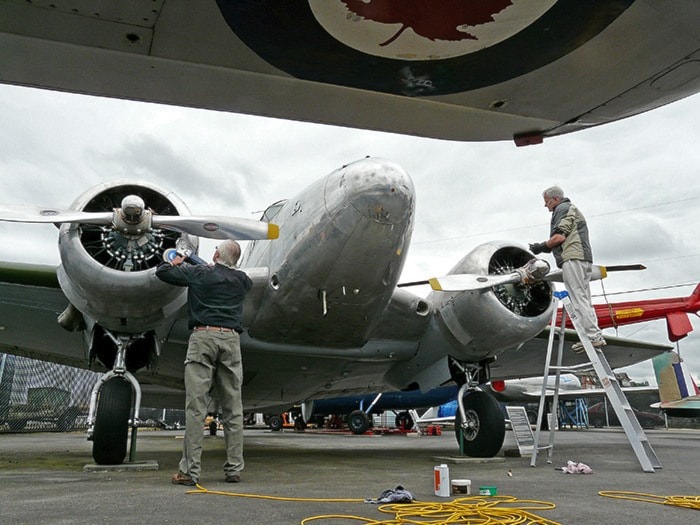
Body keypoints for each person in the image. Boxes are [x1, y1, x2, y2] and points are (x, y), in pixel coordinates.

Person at [156, 240, 252, 486]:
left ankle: (190, 472)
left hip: (203, 337)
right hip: (231, 340)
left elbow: (163, 272)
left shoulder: (200, 273)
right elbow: (225, 275)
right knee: (233, 407)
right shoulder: (243, 280)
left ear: (216, 253)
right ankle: (233, 469)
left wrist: (176, 261)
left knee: (196, 406)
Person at [529, 186, 605, 354]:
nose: (545, 206)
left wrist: (539, 247)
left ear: (555, 199)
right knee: (584, 298)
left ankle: (593, 337)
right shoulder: (570, 208)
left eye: (546, 202)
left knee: (577, 298)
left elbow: (559, 237)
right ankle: (593, 335)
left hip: (573, 258)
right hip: (583, 259)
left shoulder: (562, 209)